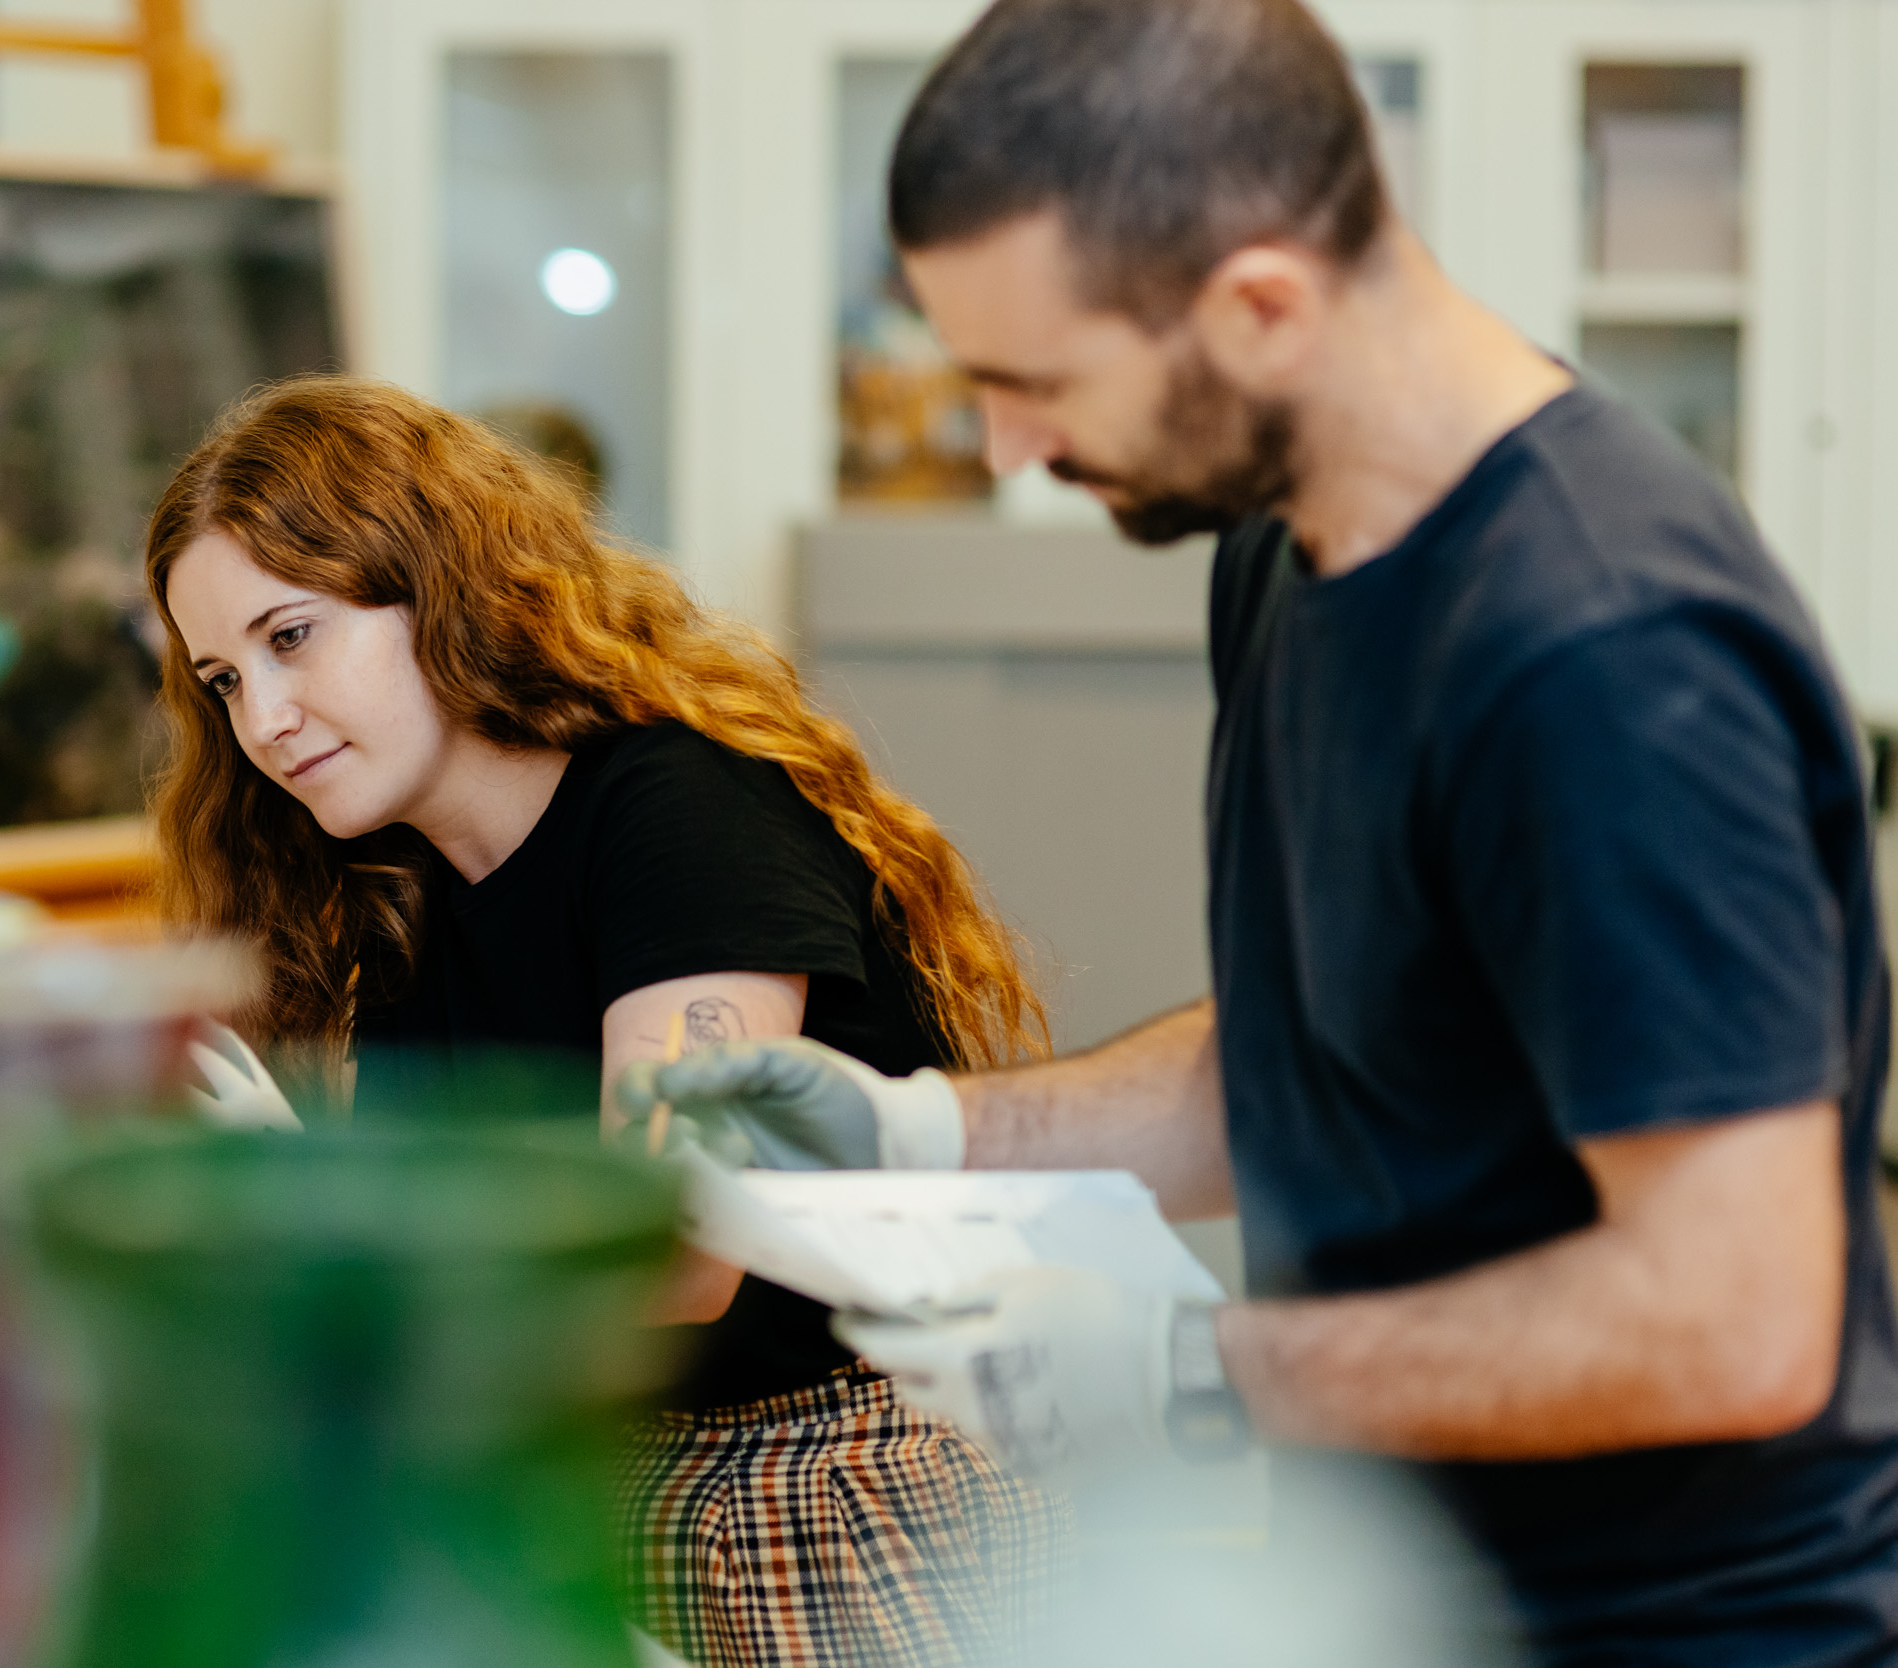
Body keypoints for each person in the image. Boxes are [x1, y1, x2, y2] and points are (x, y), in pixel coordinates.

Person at [619, 1, 1898, 1662]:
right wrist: (921, 1136)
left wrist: (1188, 1374)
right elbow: (1333, 1043)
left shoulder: (1602, 653)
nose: (1006, 446)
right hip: (1407, 1582)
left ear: (1262, 304)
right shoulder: (1285, 549)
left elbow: (1736, 1321)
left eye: (1035, 382)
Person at [141, 375, 1066, 1667]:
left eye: (292, 638)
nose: (265, 722)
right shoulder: (409, 894)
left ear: (442, 583)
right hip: (591, 1481)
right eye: (224, 681)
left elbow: (676, 1250)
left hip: (820, 1483)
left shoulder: (682, 814)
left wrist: (328, 1236)